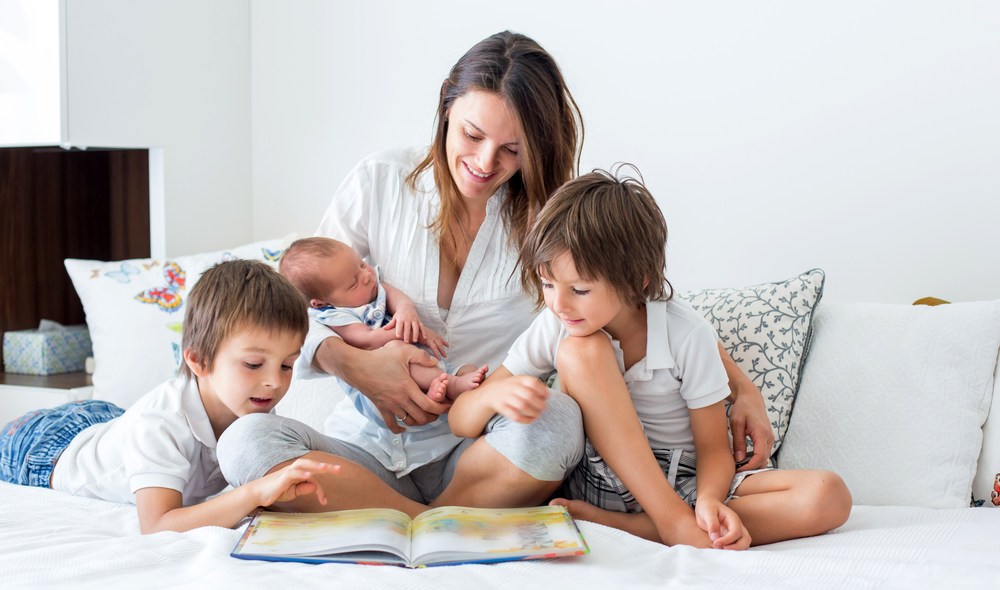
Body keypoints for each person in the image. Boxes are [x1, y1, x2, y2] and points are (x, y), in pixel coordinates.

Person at [217, 30, 772, 517]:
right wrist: (356, 365)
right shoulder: (379, 182)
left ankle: (400, 516)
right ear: (445, 110)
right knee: (245, 445)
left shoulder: (552, 217)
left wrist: (741, 389)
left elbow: (640, 308)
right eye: (471, 135)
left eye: (512, 149)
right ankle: (424, 517)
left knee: (556, 422)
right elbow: (290, 312)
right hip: (364, 447)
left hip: (483, 453)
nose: (486, 163)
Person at [449, 168, 852, 548]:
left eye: (580, 290)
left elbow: (712, 448)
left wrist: (710, 500)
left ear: (637, 279)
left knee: (828, 495)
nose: (558, 304)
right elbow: (461, 421)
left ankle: (638, 527)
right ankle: (673, 523)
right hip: (599, 476)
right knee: (582, 349)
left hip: (684, 481)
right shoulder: (558, 325)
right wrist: (489, 397)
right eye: (548, 284)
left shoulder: (686, 333)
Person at [0, 260, 339, 534]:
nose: (273, 382)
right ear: (198, 361)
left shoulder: (254, 400)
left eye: (287, 365)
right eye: (253, 364)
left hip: (109, 420)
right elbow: (158, 524)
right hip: (45, 447)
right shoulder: (160, 424)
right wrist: (251, 494)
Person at [279, 236, 488, 402]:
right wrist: (417, 333)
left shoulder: (371, 286)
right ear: (320, 302)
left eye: (361, 265)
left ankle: (451, 382)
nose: (367, 276)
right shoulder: (336, 315)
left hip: (421, 362)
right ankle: (447, 386)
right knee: (399, 350)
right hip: (387, 379)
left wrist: (406, 311)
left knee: (469, 370)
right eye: (353, 283)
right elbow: (367, 339)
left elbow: (392, 294)